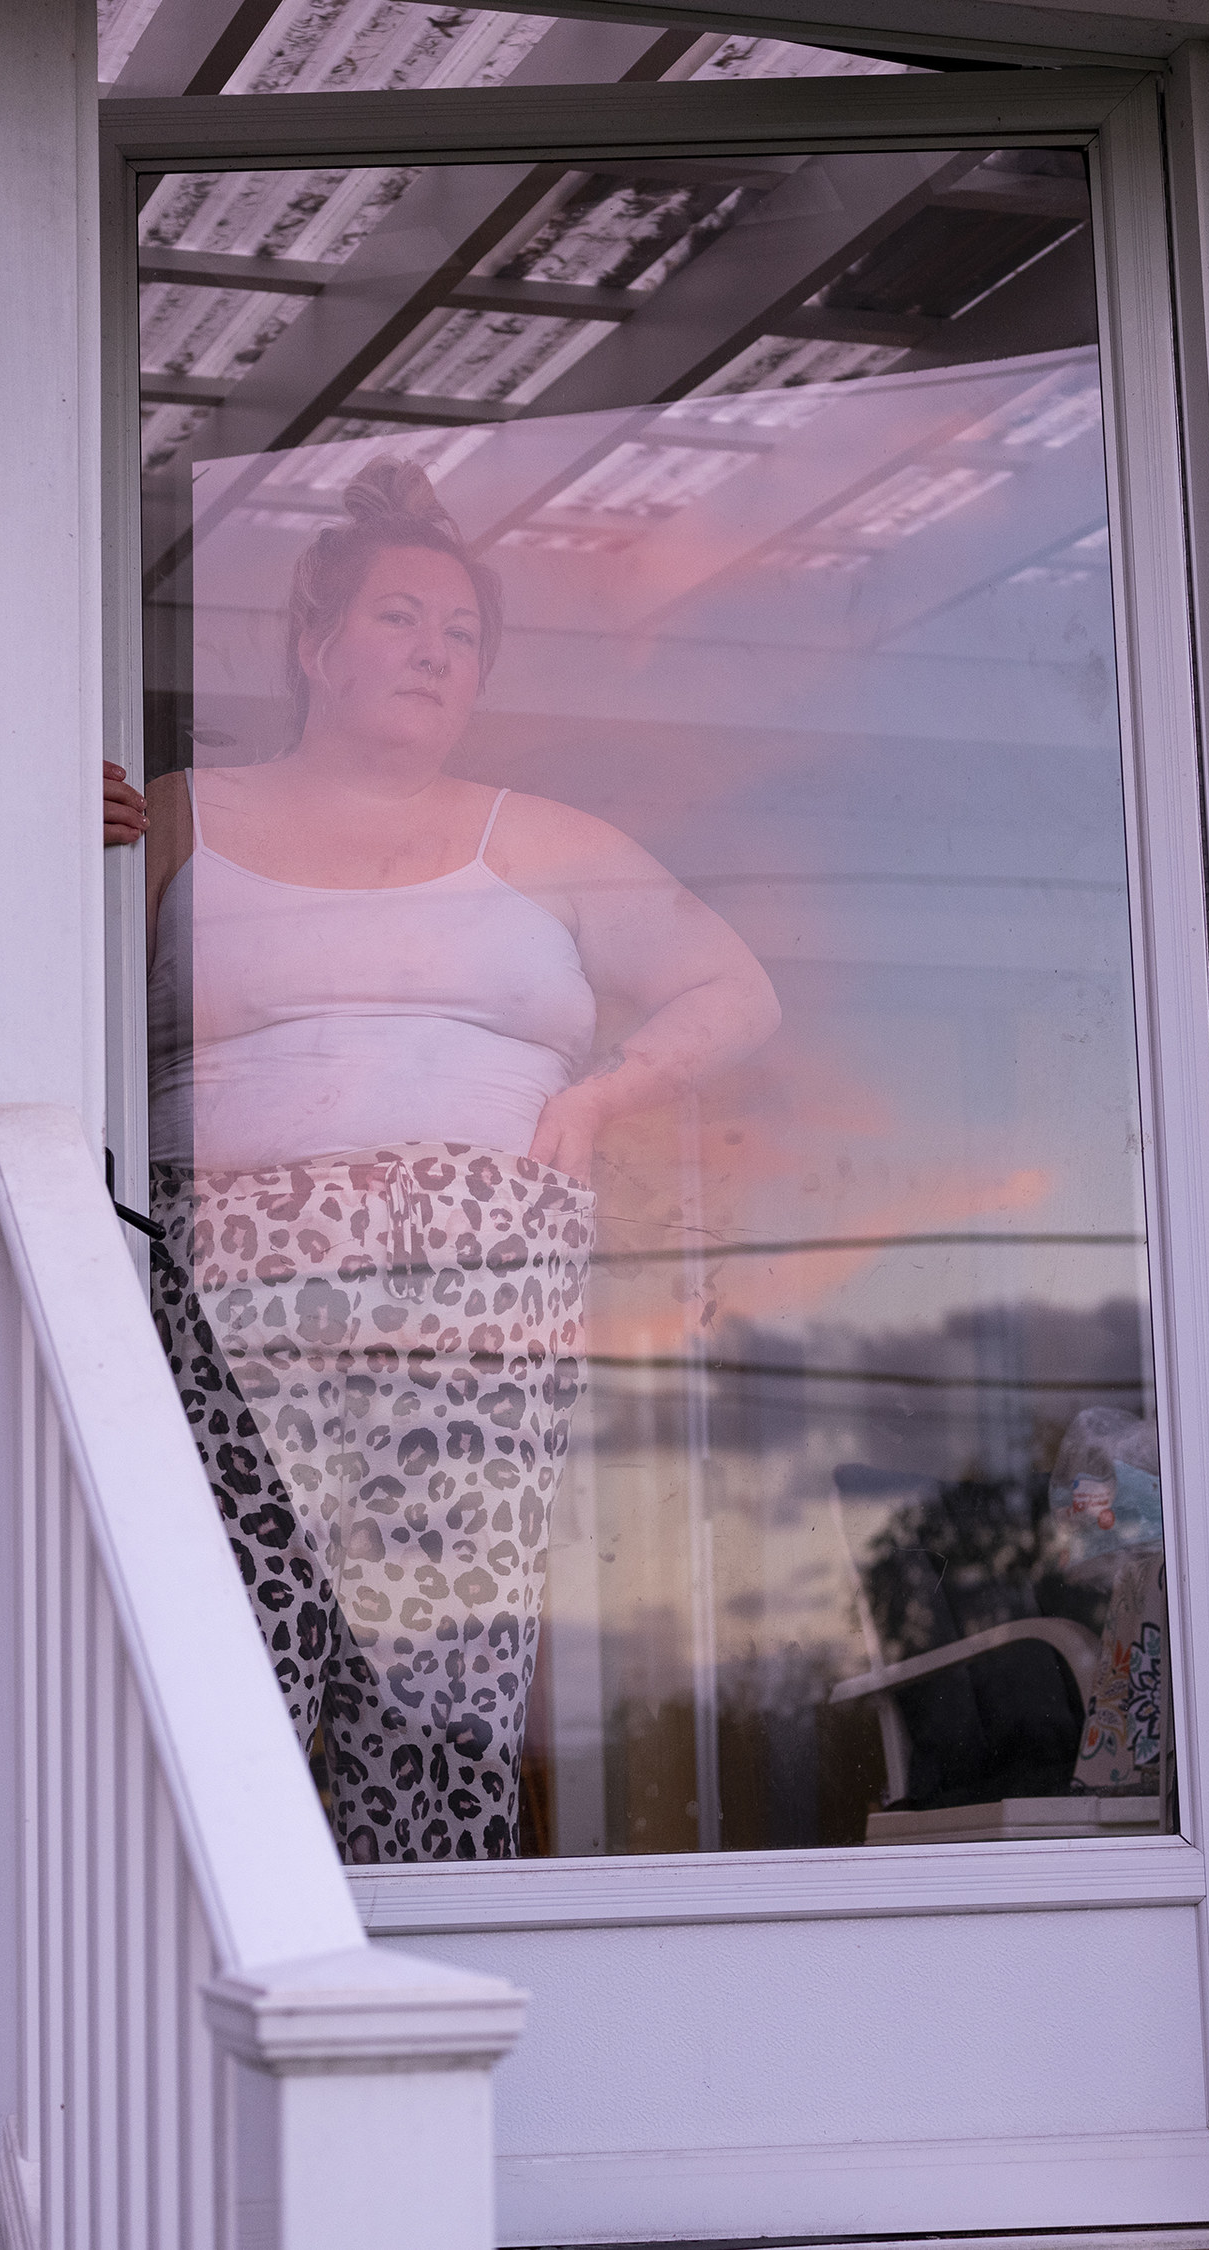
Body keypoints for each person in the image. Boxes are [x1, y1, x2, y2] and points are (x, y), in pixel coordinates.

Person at [102, 459, 777, 1862]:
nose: (435, 653)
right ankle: (201, 1990)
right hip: (230, 1302)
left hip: (474, 1312)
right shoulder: (179, 811)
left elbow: (735, 990)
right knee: (229, 1649)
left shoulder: (544, 837)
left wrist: (600, 1101)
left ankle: (426, 1996)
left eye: (463, 636)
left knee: (437, 1688)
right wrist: (54, 828)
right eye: (403, 619)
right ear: (312, 642)